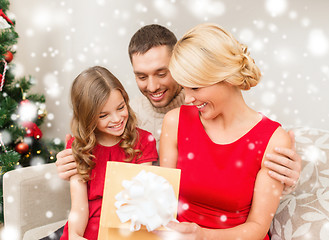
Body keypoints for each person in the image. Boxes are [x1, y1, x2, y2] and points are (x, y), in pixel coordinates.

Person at [55, 24, 301, 195]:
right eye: (141, 76)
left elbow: (240, 154)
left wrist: (286, 175)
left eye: (162, 73)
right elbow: (95, 149)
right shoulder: (124, 116)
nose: (152, 86)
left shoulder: (208, 107)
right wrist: (69, 161)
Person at [158, 23, 291, 240]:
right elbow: (164, 203)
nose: (188, 98)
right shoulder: (175, 122)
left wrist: (201, 235)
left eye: (195, 87)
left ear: (226, 77)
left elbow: (257, 227)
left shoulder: (274, 139)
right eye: (184, 88)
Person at [59, 66, 158, 240]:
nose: (117, 119)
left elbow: (144, 201)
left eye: (120, 108)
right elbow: (79, 207)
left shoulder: (143, 140)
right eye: (103, 115)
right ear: (87, 118)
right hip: (89, 228)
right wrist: (75, 235)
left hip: (128, 227)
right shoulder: (78, 146)